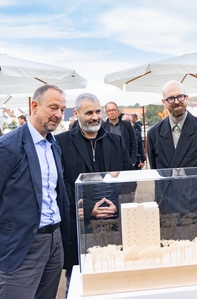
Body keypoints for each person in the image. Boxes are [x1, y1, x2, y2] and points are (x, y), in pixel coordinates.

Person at [0, 85, 70, 299]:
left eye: (62, 109)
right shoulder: (6, 147)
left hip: (54, 241)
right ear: (34, 106)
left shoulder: (53, 145)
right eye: (53, 107)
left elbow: (53, 192)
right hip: (22, 245)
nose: (58, 114)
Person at [55, 93, 133, 295]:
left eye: (98, 111)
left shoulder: (116, 141)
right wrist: (87, 208)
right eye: (89, 112)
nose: (95, 117)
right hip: (78, 224)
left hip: (113, 222)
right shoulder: (61, 142)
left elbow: (129, 179)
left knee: (114, 279)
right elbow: (60, 184)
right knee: (78, 282)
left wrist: (117, 204)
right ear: (77, 113)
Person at [147, 80, 197, 216]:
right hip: (166, 207)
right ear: (163, 102)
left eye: (180, 96)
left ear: (186, 97)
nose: (176, 101)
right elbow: (156, 172)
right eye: (170, 98)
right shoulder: (153, 134)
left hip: (196, 207)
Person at [101, 102, 137, 168]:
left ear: (118, 111)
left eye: (113, 110)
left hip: (126, 161)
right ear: (106, 113)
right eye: (109, 110)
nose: (112, 112)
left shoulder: (127, 125)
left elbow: (133, 143)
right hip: (110, 163)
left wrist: (132, 161)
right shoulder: (102, 127)